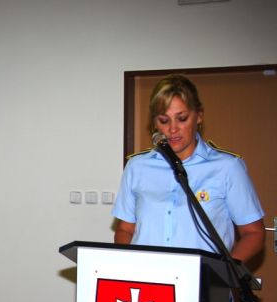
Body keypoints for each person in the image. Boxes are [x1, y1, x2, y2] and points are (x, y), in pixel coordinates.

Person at [112, 75, 265, 263]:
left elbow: (253, 233)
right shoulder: (136, 166)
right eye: (164, 120)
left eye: (182, 118)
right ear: (154, 123)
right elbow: (125, 229)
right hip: (148, 277)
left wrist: (222, 272)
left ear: (199, 116)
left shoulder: (227, 167)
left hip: (204, 279)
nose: (172, 129)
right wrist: (127, 264)